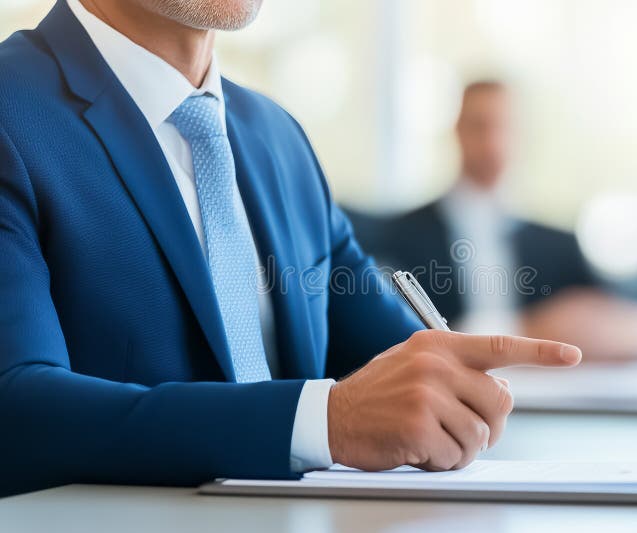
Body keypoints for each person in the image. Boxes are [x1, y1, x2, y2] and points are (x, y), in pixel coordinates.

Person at [0, 0, 582, 496]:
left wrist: (454, 386)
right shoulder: (11, 111)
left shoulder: (278, 139)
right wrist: (327, 422)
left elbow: (401, 357)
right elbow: (15, 410)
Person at [366, 81, 592, 334]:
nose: (492, 142)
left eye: (504, 127)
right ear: (458, 131)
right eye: (479, 126)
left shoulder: (560, 248)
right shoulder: (400, 238)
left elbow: (607, 320)